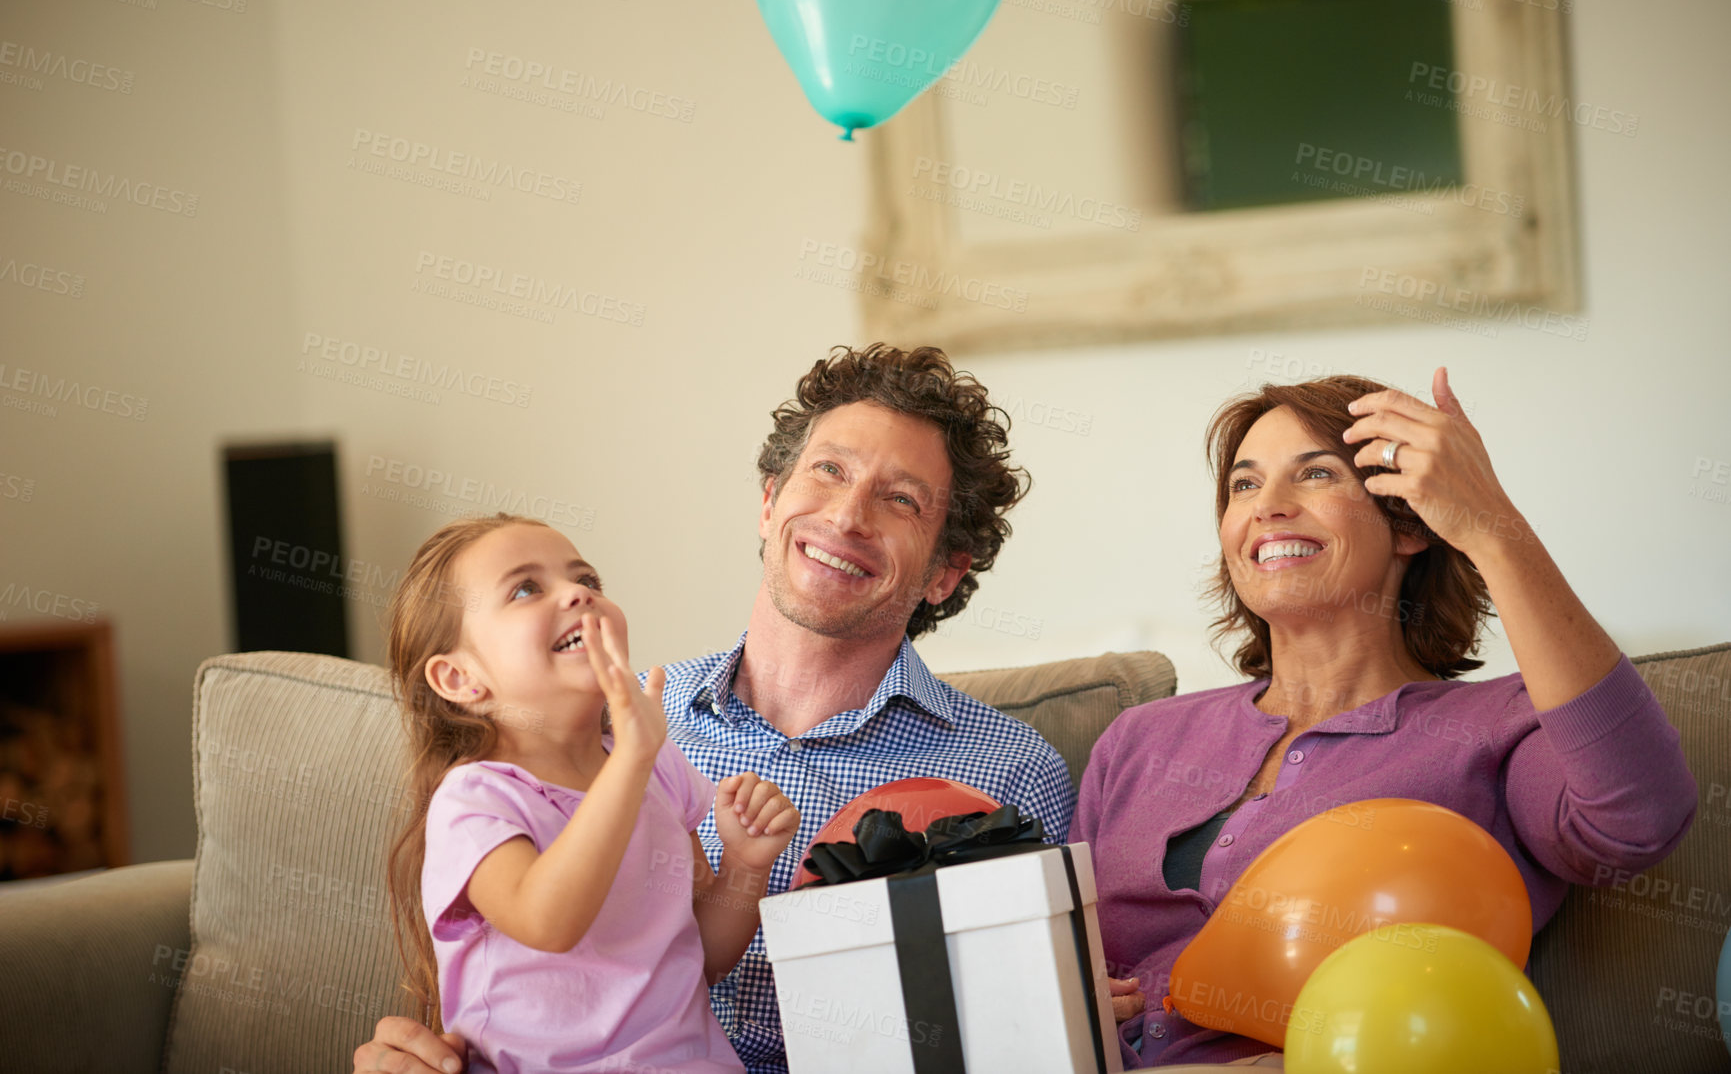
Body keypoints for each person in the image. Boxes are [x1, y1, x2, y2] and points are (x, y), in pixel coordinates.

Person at [356, 345, 1078, 1074]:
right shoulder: (589, 722)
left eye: (900, 499)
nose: (846, 514)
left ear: (943, 573)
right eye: (828, 469)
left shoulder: (1009, 773)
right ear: (769, 503)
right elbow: (512, 969)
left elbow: (1042, 1021)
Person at [1076, 369, 1696, 1069]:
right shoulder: (1138, 738)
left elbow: (1637, 818)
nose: (1267, 507)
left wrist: (1489, 524)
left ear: (1408, 524)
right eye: (1244, 484)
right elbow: (1051, 954)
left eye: (1313, 475)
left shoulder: (1493, 726)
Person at [381, 514, 800, 1073]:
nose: (578, 592)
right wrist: (630, 760)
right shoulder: (475, 799)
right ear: (460, 680)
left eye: (588, 580)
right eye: (526, 588)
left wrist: (746, 865)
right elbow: (546, 920)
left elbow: (702, 955)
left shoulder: (660, 772)